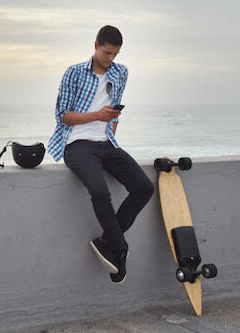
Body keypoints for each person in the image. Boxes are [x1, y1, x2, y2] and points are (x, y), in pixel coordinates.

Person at [48, 25, 154, 284]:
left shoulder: (121, 72)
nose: (110, 59)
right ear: (96, 45)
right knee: (99, 191)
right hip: (77, 144)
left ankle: (108, 241)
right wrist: (97, 115)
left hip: (107, 143)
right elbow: (62, 115)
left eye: (115, 54)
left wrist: (110, 125)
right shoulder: (74, 72)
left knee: (144, 187)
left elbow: (115, 112)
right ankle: (120, 248)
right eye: (107, 53)